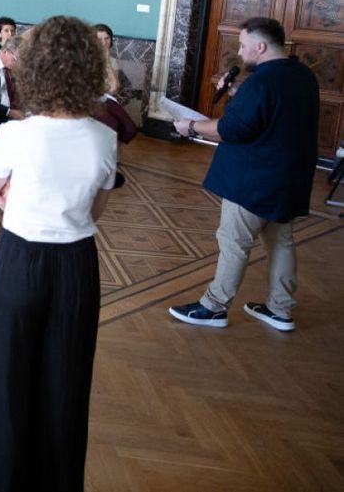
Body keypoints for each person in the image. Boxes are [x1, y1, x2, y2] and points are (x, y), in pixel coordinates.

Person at [0, 16, 118, 492]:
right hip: (76, 265)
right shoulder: (104, 138)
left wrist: (16, 201)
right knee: (65, 385)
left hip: (20, 259)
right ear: (89, 70)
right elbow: (97, 208)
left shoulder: (18, 135)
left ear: (38, 70)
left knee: (6, 383)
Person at [169, 17, 319, 331]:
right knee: (281, 242)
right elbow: (272, 110)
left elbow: (229, 129)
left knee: (234, 241)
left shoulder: (260, 82)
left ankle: (213, 307)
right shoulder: (302, 75)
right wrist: (239, 91)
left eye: (242, 44)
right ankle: (280, 309)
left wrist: (191, 126)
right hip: (289, 178)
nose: (240, 50)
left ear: (260, 46)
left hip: (254, 179)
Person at [90, 23, 139, 144]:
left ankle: (113, 152)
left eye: (107, 38)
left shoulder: (112, 61)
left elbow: (114, 88)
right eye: (99, 39)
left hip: (106, 99)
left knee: (130, 129)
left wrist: (106, 62)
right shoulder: (85, 59)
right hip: (90, 101)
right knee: (112, 125)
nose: (103, 43)